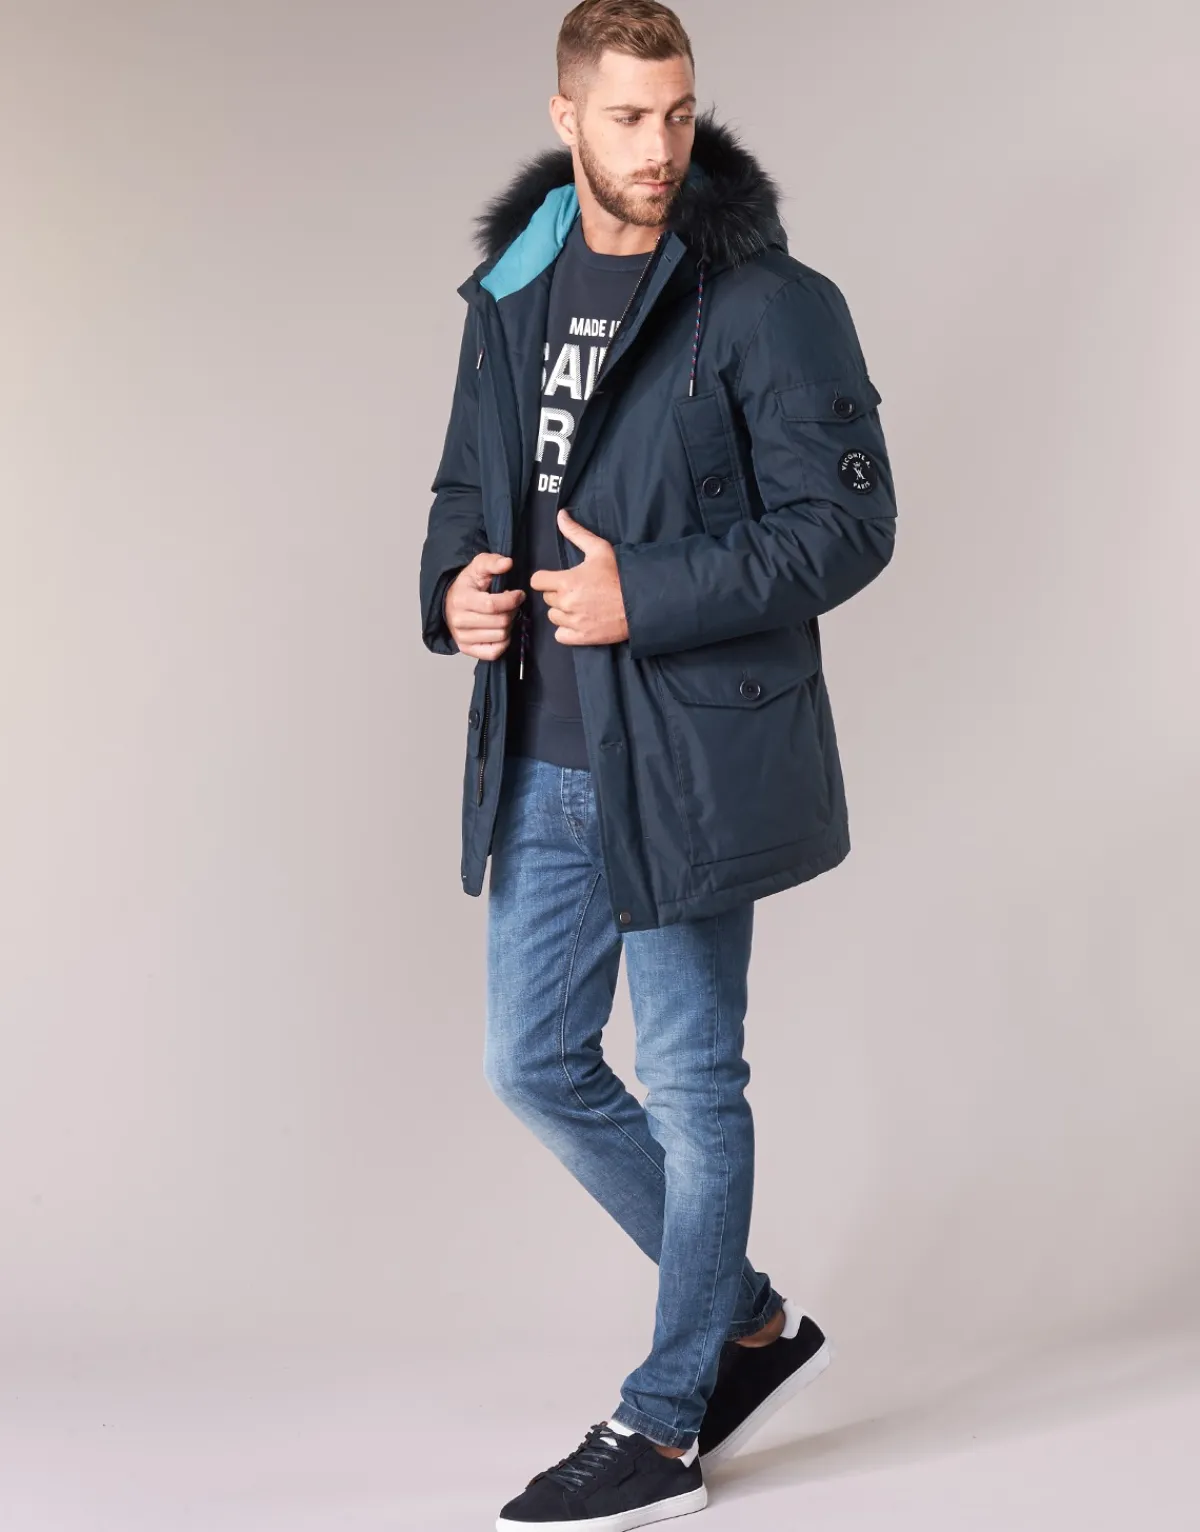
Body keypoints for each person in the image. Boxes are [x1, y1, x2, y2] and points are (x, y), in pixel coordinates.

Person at [417, 2, 897, 1525]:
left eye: (679, 112)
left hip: (686, 754)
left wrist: (651, 594)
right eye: (629, 116)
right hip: (540, 748)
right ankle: (745, 1319)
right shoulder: (511, 290)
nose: (661, 145)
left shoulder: (764, 298)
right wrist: (451, 592)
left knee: (693, 1080)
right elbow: (464, 488)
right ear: (567, 116)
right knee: (532, 1065)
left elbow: (850, 525)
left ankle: (668, 1419)